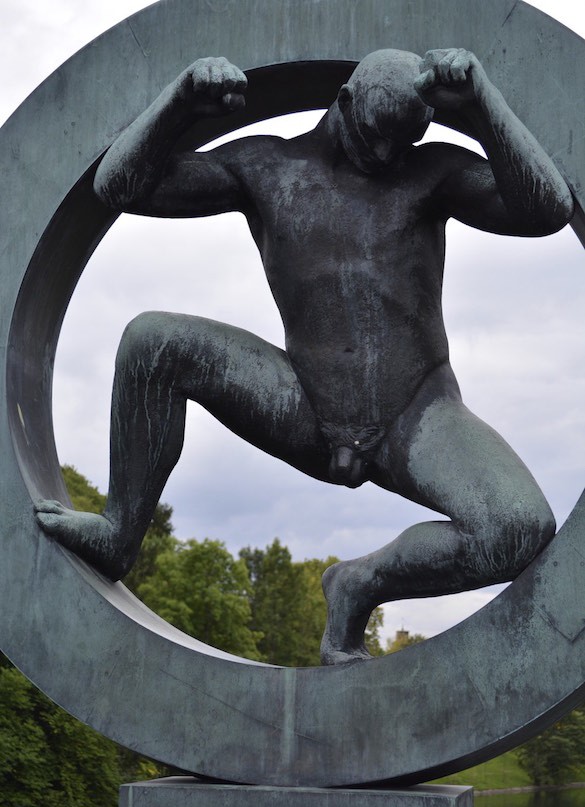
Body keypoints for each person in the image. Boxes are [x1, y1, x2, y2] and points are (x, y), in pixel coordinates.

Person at [35, 48, 574, 665]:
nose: (387, 158)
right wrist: (179, 99)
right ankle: (118, 532)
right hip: (302, 404)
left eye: (403, 144)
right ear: (343, 103)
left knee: (519, 529)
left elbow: (546, 210)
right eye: (376, 141)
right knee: (153, 341)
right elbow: (121, 186)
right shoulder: (267, 166)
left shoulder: (431, 173)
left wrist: (483, 100)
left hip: (417, 411)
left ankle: (358, 584)